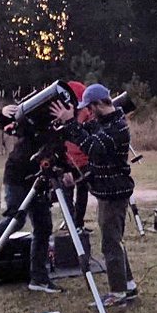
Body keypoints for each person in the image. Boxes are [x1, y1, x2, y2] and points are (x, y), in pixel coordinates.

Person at [49, 83, 137, 306]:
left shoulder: (117, 127)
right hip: (108, 191)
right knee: (114, 241)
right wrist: (69, 124)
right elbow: (88, 131)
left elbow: (92, 147)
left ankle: (118, 293)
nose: (87, 112)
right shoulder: (106, 122)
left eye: (89, 107)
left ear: (99, 104)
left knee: (110, 244)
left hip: (114, 194)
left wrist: (71, 122)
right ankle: (129, 286)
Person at [0, 99, 61, 293]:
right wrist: (3, 112)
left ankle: (38, 278)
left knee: (43, 226)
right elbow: (7, 124)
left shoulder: (57, 125)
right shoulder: (38, 118)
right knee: (14, 221)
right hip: (17, 176)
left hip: (38, 177)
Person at [64, 80, 91, 227]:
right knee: (71, 192)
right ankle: (74, 224)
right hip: (69, 158)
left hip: (81, 157)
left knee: (79, 191)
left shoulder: (82, 113)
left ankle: (76, 223)